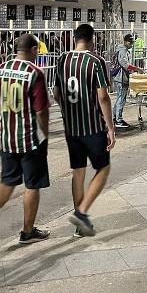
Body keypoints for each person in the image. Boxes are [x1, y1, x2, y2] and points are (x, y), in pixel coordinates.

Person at [0, 34, 50, 249]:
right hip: (30, 138)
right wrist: (46, 133)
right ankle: (27, 231)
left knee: (7, 180)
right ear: (33, 50)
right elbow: (42, 110)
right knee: (32, 184)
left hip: (6, 137)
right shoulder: (35, 73)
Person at [54, 24, 115, 237]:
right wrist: (110, 127)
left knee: (78, 172)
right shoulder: (95, 61)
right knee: (103, 168)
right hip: (93, 126)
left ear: (74, 39)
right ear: (92, 39)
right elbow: (103, 97)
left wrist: (66, 112)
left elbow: (56, 93)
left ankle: (80, 226)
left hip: (71, 128)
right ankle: (81, 213)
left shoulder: (62, 59)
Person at [112, 33, 143, 128]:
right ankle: (118, 120)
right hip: (120, 77)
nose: (131, 45)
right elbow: (124, 63)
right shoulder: (123, 50)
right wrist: (136, 69)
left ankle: (115, 117)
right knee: (121, 98)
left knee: (119, 98)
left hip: (119, 76)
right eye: (130, 43)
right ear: (125, 41)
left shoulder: (121, 49)